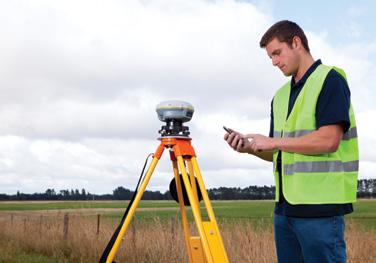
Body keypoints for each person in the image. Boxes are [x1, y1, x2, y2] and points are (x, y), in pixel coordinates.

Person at [224, 20, 358, 263]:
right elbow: (280, 152)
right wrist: (251, 149)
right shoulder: (280, 96)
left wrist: (274, 142)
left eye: (277, 53)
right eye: (270, 57)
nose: (274, 62)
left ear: (296, 42)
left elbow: (329, 140)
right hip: (284, 212)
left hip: (321, 211)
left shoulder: (330, 79)